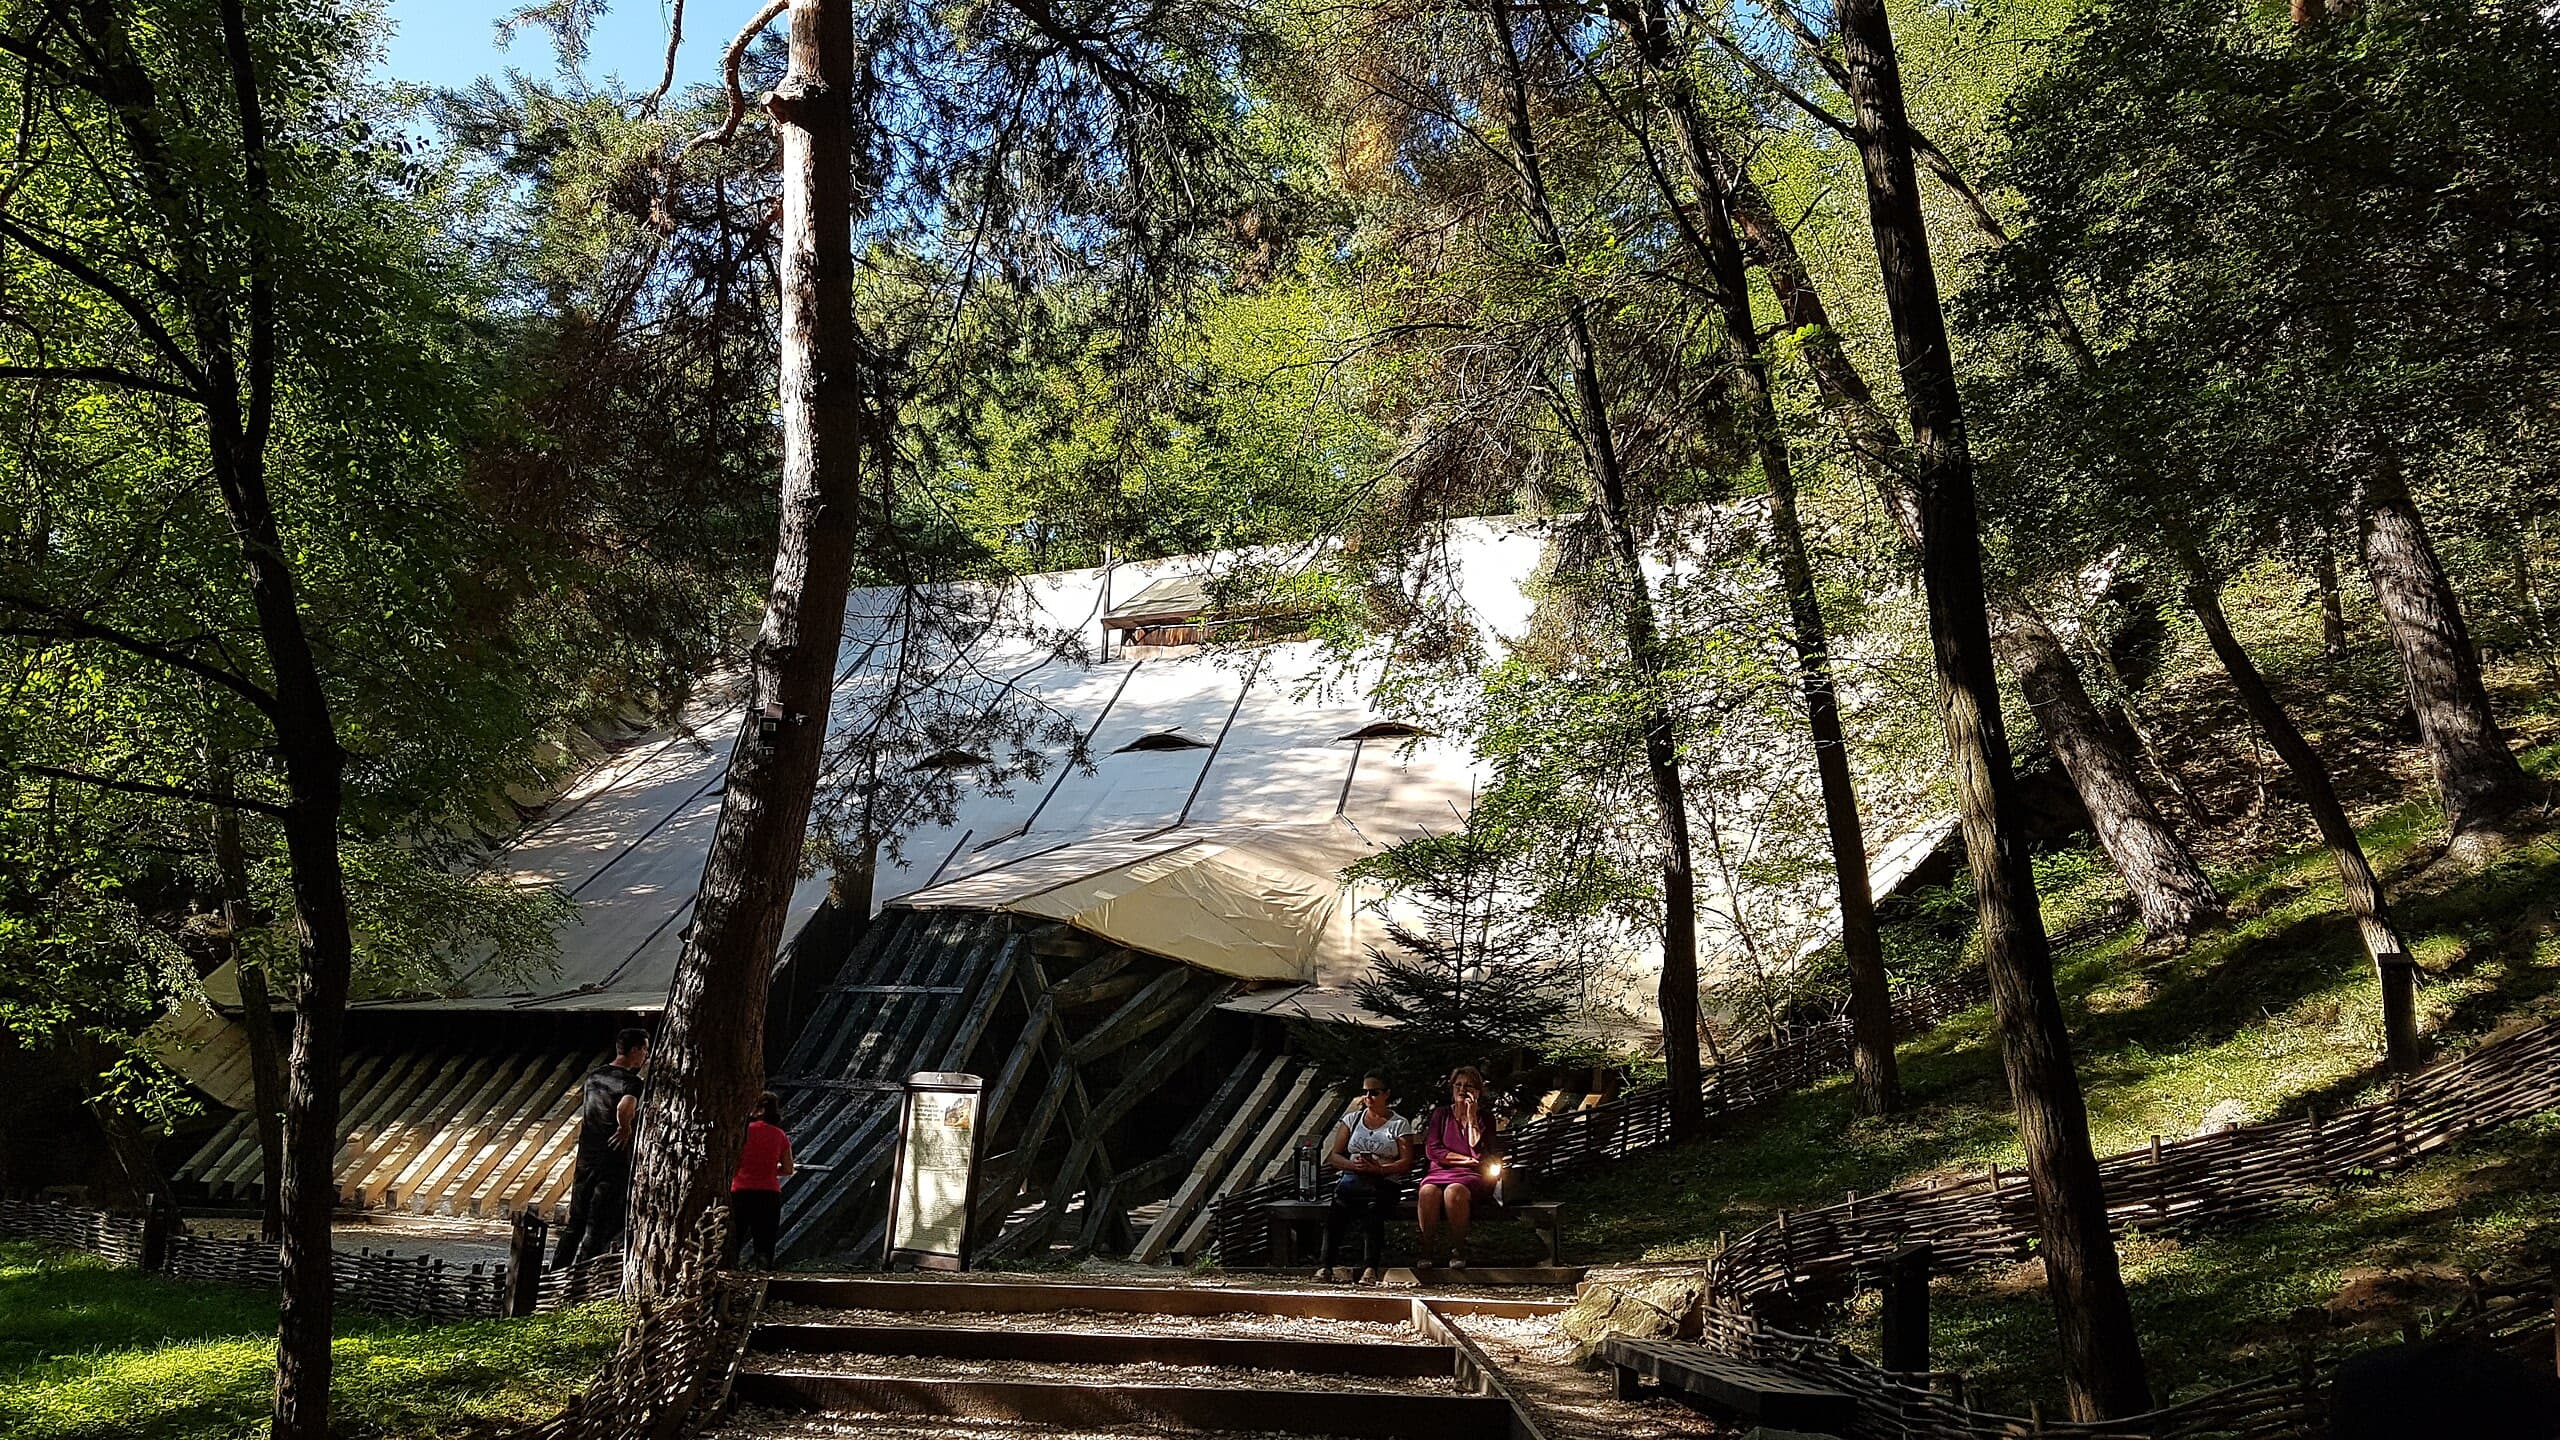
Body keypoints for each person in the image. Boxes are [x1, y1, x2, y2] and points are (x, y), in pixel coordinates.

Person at [552, 1027, 649, 1269]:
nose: (645, 1055)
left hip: (587, 1157)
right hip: (612, 1160)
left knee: (575, 1222)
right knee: (597, 1225)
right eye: (644, 1050)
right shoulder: (632, 1082)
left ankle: (556, 1270)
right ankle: (580, 1278)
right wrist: (624, 1127)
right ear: (635, 1050)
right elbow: (624, 1107)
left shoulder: (594, 1077)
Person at [1314, 1074, 1413, 1285]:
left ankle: (1370, 1267)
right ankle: (1325, 1266)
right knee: (1337, 1210)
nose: (1369, 1096)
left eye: (1374, 1092)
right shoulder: (1352, 1119)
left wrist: (1380, 1169)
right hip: (1353, 1178)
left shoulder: (1399, 1124)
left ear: (1386, 1094)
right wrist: (1353, 1165)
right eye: (1365, 1092)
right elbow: (1334, 1155)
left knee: (1373, 1212)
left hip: (1383, 1182)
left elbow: (1405, 1162)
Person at [1417, 1065, 1496, 1272]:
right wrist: (1465, 1159)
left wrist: (1471, 1117)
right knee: (1427, 1192)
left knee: (1454, 1191)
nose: (1462, 1090)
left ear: (1477, 1091)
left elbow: (1478, 1153)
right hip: (1440, 1172)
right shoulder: (1441, 1115)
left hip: (1471, 1177)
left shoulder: (1485, 1118)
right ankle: (1426, 1248)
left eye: (1468, 1086)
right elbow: (1434, 1151)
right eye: (1458, 1085)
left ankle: (1458, 1248)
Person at [727, 1092, 796, 1270]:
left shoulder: (742, 1132)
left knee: (735, 1237)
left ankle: (731, 1269)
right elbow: (788, 1169)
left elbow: (730, 1160)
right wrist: (771, 1169)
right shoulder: (780, 1136)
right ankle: (762, 1272)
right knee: (765, 1239)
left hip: (739, 1191)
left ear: (758, 1110)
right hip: (768, 1193)